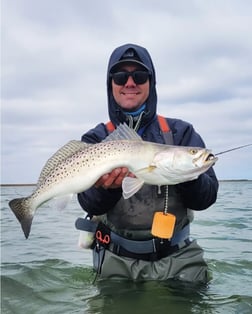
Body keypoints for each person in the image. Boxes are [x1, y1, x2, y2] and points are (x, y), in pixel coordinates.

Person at [76, 43, 219, 284]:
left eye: (139, 76)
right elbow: (87, 201)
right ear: (110, 85)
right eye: (120, 76)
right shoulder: (96, 139)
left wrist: (188, 175)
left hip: (178, 257)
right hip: (116, 260)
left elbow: (206, 199)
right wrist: (108, 189)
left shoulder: (181, 133)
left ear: (151, 83)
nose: (129, 83)